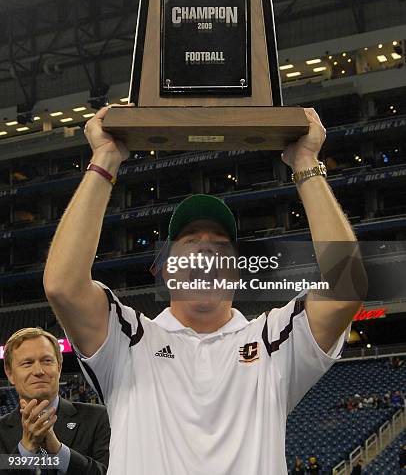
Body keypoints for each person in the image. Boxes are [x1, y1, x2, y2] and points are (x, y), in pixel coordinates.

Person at [43, 105, 364, 475]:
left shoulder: (273, 340)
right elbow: (62, 285)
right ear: (166, 270)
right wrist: (105, 159)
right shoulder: (127, 342)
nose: (205, 250)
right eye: (190, 242)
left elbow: (347, 284)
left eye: (220, 246)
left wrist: (306, 163)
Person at [0, 327, 110, 474]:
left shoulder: (99, 418)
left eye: (46, 361)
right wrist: (26, 451)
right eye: (27, 363)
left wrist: (59, 451)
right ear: (10, 373)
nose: (39, 371)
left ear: (59, 366)